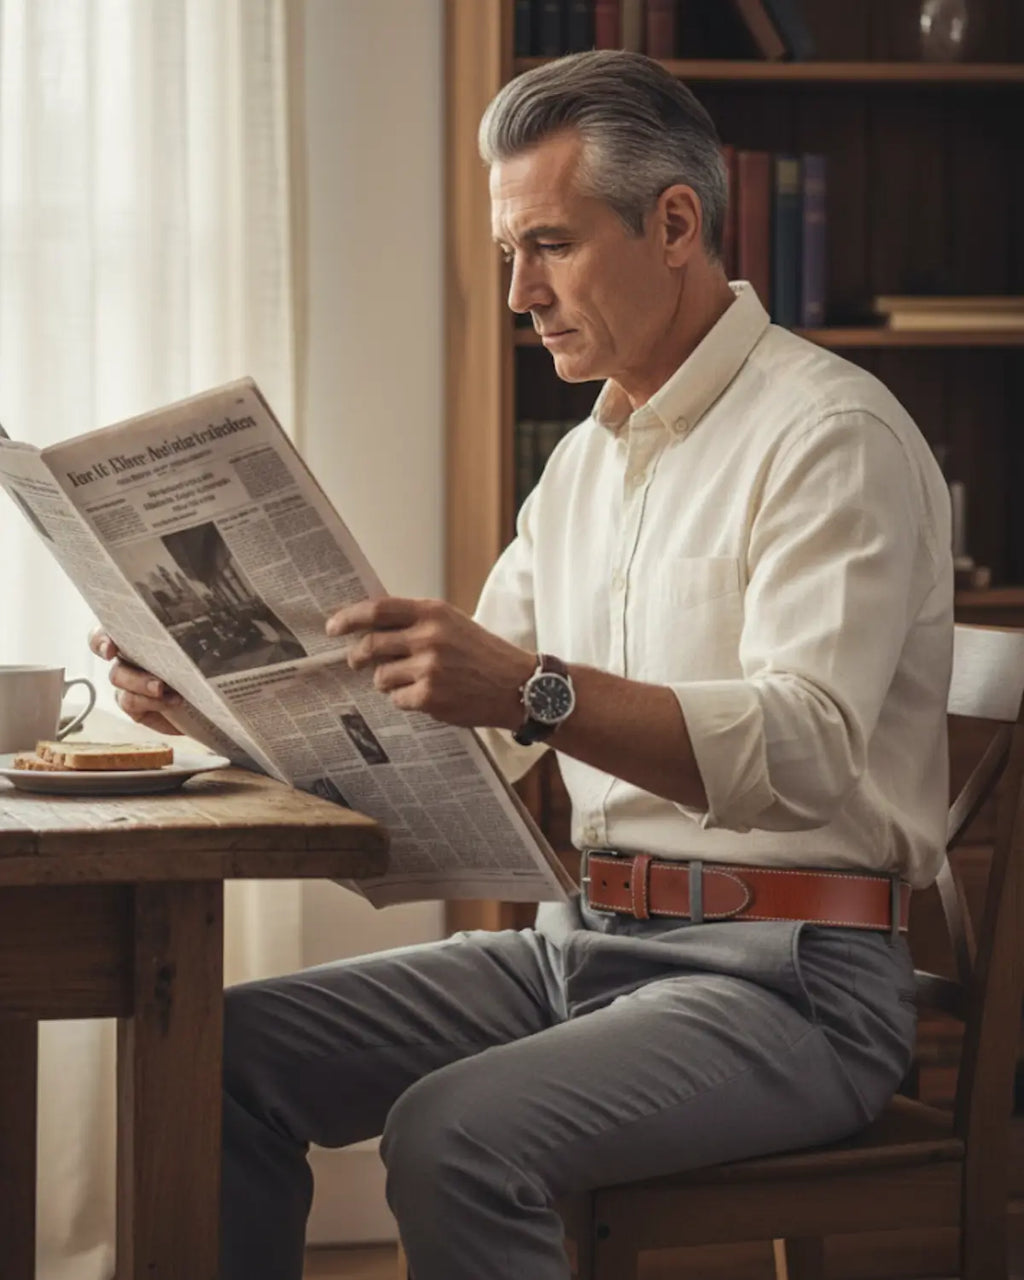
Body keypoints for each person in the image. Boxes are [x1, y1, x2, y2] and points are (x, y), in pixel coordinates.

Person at [90, 49, 953, 1280]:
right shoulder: (583, 463)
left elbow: (805, 749)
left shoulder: (830, 432)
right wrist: (217, 710)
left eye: (548, 244)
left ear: (673, 225)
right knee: (217, 1055)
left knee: (456, 1134)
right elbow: (462, 754)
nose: (518, 292)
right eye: (509, 252)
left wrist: (529, 688)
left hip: (793, 981)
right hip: (578, 941)